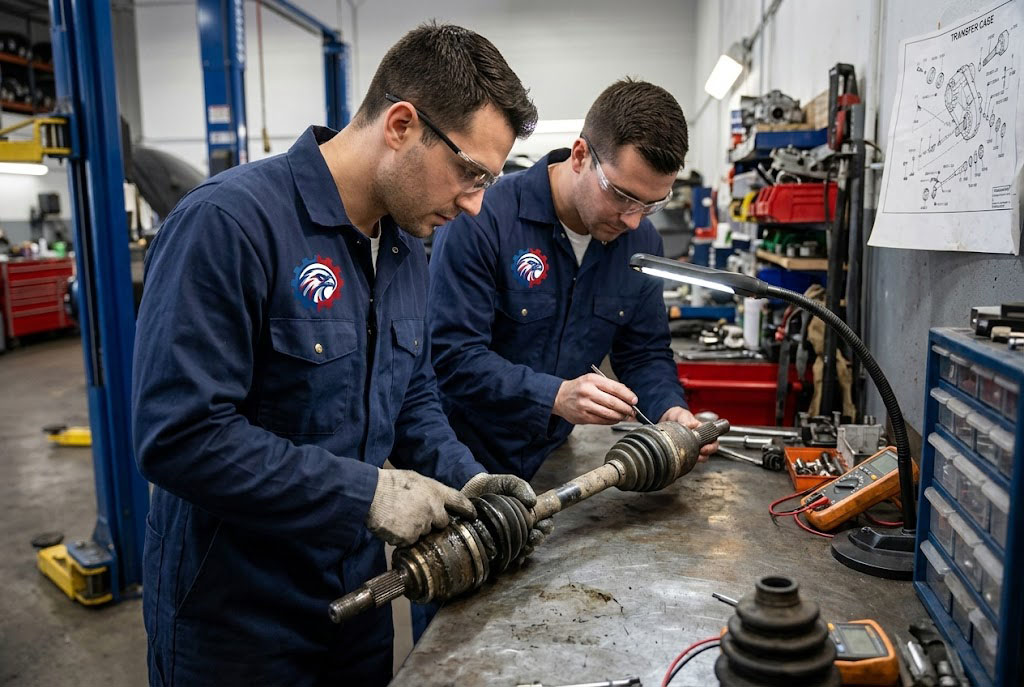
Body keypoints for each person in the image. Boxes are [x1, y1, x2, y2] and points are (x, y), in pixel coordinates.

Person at [132, 23, 545, 687]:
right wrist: (368, 493)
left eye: (488, 183)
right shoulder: (230, 225)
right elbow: (179, 436)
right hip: (237, 623)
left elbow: (410, 393)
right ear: (402, 125)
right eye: (470, 173)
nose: (474, 204)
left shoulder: (407, 244)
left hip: (362, 599)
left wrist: (464, 476)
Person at [427, 78, 718, 481]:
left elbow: (644, 351)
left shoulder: (641, 241)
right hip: (460, 458)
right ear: (580, 155)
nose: (633, 219)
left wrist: (669, 408)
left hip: (552, 456)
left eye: (651, 204)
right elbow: (451, 356)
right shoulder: (484, 218)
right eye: (622, 195)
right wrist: (555, 396)